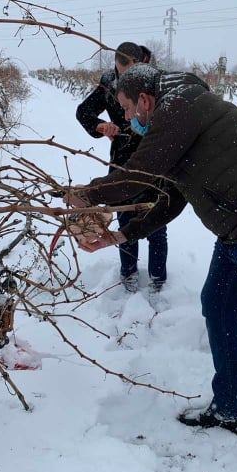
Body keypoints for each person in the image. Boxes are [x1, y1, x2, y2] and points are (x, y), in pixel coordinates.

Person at [67, 64, 237, 472]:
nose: (125, 120)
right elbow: (169, 198)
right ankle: (229, 407)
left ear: (143, 99)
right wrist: (120, 236)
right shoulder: (175, 117)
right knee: (218, 305)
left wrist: (84, 196)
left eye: (125, 109)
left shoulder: (180, 107)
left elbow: (137, 176)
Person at [75, 42, 168, 291]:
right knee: (125, 215)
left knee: (157, 216)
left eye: (130, 72)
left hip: (153, 156)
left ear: (141, 65)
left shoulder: (154, 81)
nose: (124, 79)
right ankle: (128, 272)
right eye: (120, 73)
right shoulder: (108, 81)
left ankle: (158, 277)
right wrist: (102, 126)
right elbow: (83, 112)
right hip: (123, 157)